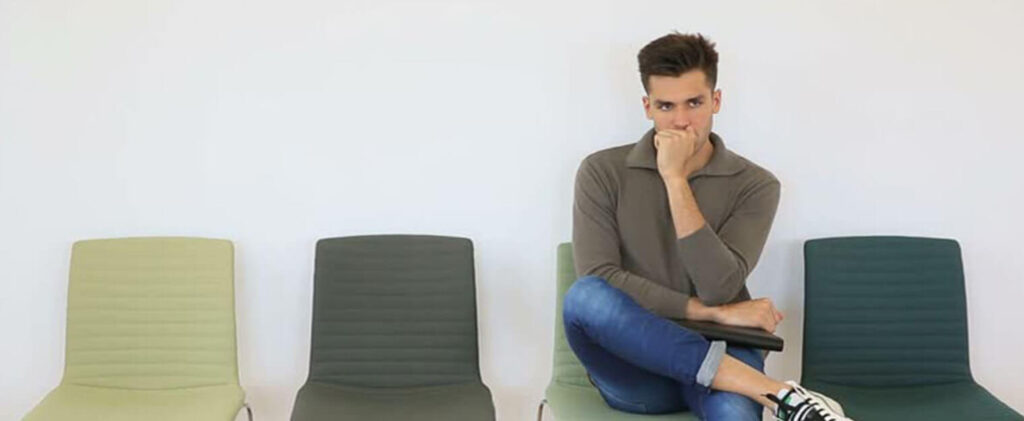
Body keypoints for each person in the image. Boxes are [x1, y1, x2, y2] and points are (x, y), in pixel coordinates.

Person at [567, 32, 851, 421]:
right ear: (647, 107)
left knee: (734, 414)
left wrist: (675, 181)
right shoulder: (601, 172)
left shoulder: (756, 184)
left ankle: (762, 391)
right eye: (666, 106)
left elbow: (719, 286)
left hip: (726, 352)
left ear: (716, 101)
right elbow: (600, 278)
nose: (682, 121)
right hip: (636, 370)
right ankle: (778, 394)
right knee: (584, 297)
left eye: (695, 103)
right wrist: (711, 314)